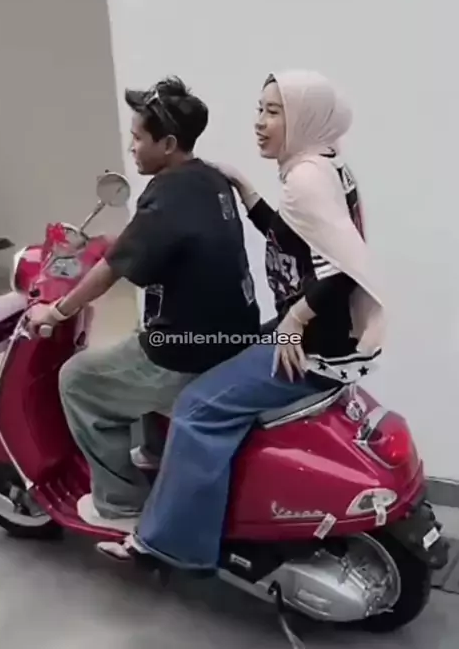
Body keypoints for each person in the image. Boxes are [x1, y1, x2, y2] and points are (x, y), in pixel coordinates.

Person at [96, 68, 385, 567]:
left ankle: (168, 545)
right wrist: (246, 189)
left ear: (304, 118)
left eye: (274, 112)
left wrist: (294, 322)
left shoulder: (305, 180)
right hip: (332, 336)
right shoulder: (325, 163)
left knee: (195, 408)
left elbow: (343, 269)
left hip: (313, 344)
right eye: (260, 109)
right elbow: (296, 238)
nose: (259, 122)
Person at [27, 76, 260, 531]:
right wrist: (103, 245)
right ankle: (154, 453)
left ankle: (119, 503)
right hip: (228, 336)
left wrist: (56, 311)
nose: (131, 147)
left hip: (188, 352)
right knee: (137, 339)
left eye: (138, 138)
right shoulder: (209, 179)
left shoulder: (167, 194)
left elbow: (113, 268)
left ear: (168, 144)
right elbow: (152, 242)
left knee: (77, 379)